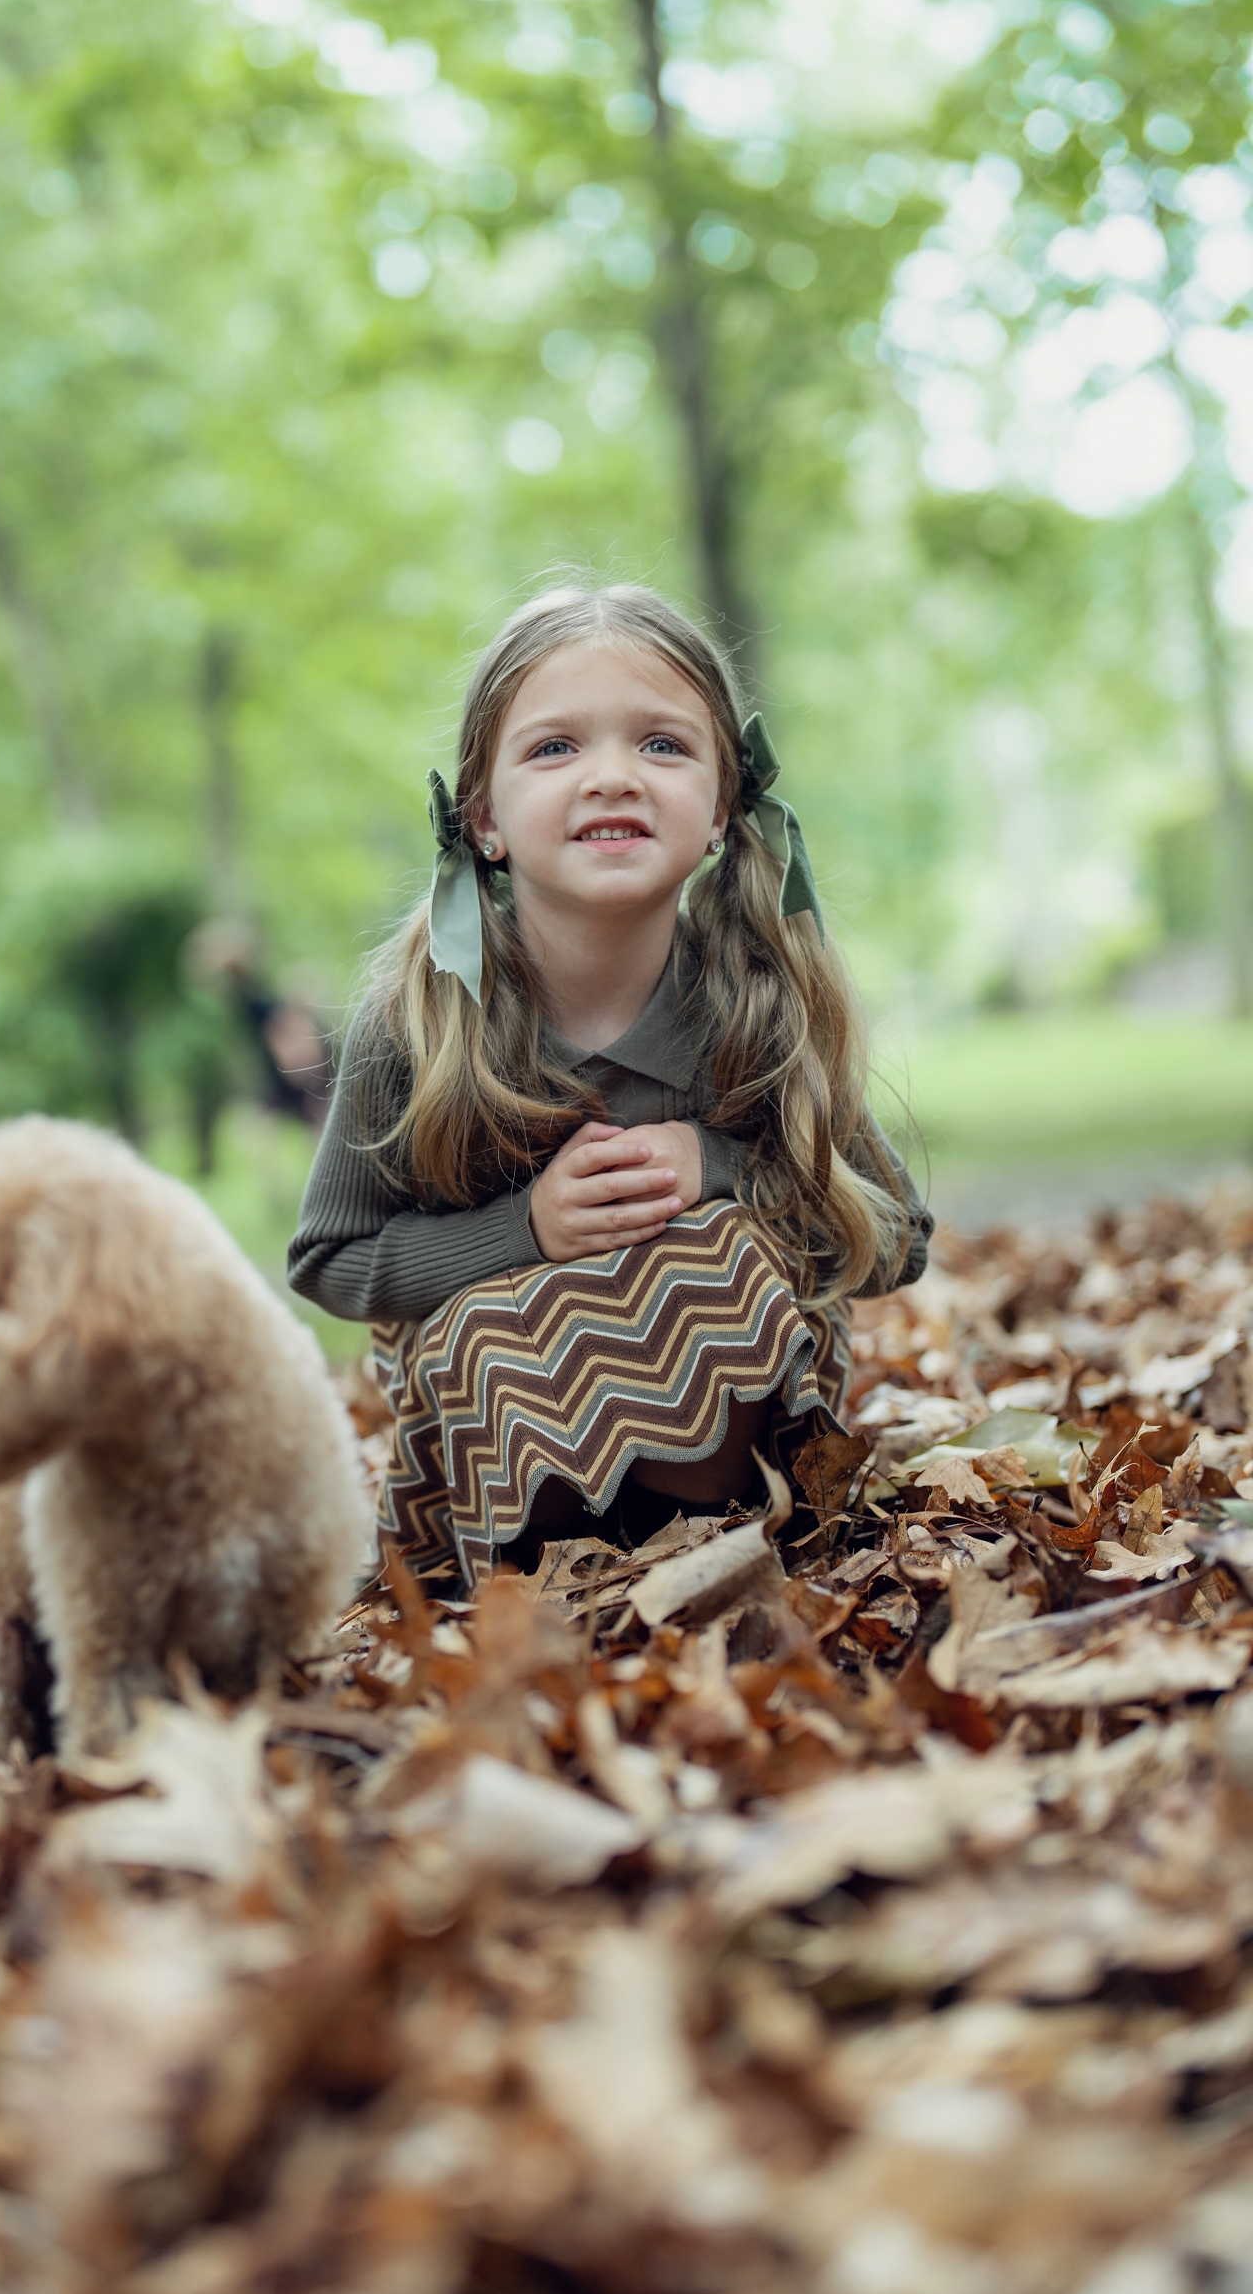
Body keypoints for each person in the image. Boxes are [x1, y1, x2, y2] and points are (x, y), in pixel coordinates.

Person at [288, 582, 931, 1588]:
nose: (613, 778)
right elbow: (329, 1257)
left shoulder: (761, 998)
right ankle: (559, 1596)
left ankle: (720, 1562)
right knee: (494, 1324)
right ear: (482, 816)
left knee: (713, 1261)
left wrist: (717, 1167)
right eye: (555, 747)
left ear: (721, 808)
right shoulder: (420, 1022)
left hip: (745, 1484)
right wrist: (525, 1231)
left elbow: (898, 1238)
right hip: (508, 1469)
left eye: (663, 744)